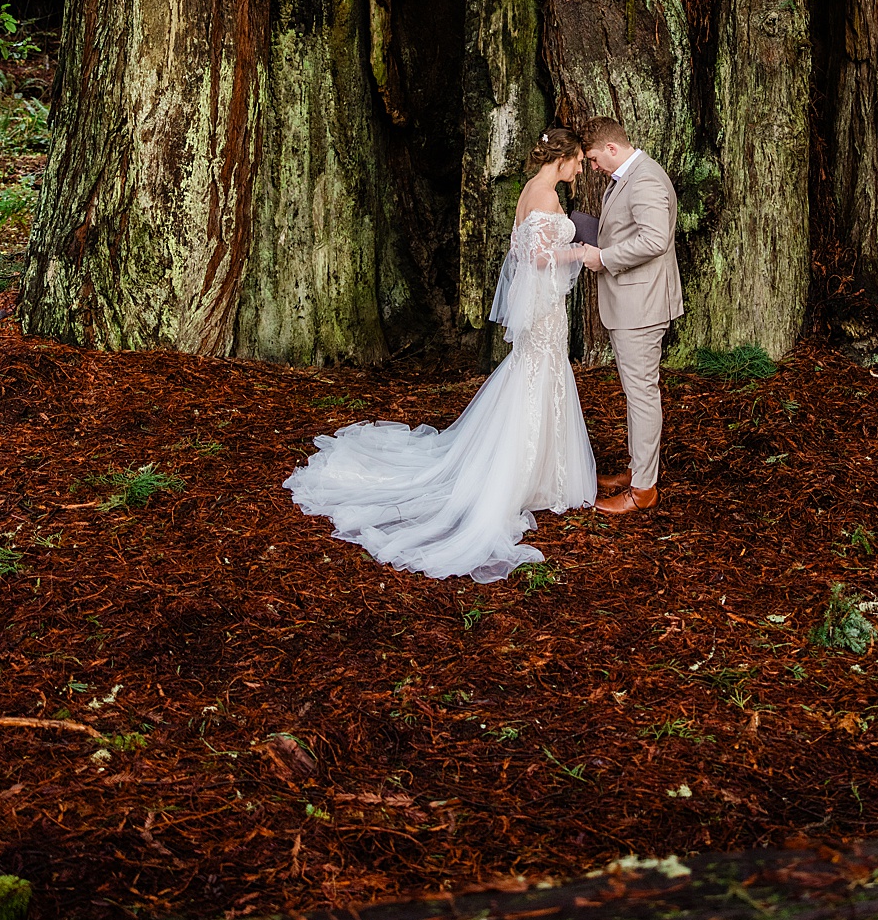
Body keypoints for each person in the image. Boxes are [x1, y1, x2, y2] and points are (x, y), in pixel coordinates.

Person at [285, 127, 598, 583]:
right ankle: (523, 476)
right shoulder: (546, 197)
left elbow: (521, 248)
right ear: (565, 157)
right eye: (577, 162)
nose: (578, 170)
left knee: (532, 378)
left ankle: (539, 470)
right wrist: (580, 251)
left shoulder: (531, 191)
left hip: (545, 310)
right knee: (537, 380)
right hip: (545, 313)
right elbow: (534, 259)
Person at [568, 117, 684, 517]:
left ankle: (644, 490)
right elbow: (630, 230)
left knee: (641, 396)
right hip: (635, 302)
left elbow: (654, 239)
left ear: (612, 149)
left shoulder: (646, 180)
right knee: (637, 395)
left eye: (596, 158)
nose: (594, 167)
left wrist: (602, 256)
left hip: (643, 305)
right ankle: (638, 470)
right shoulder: (629, 177)